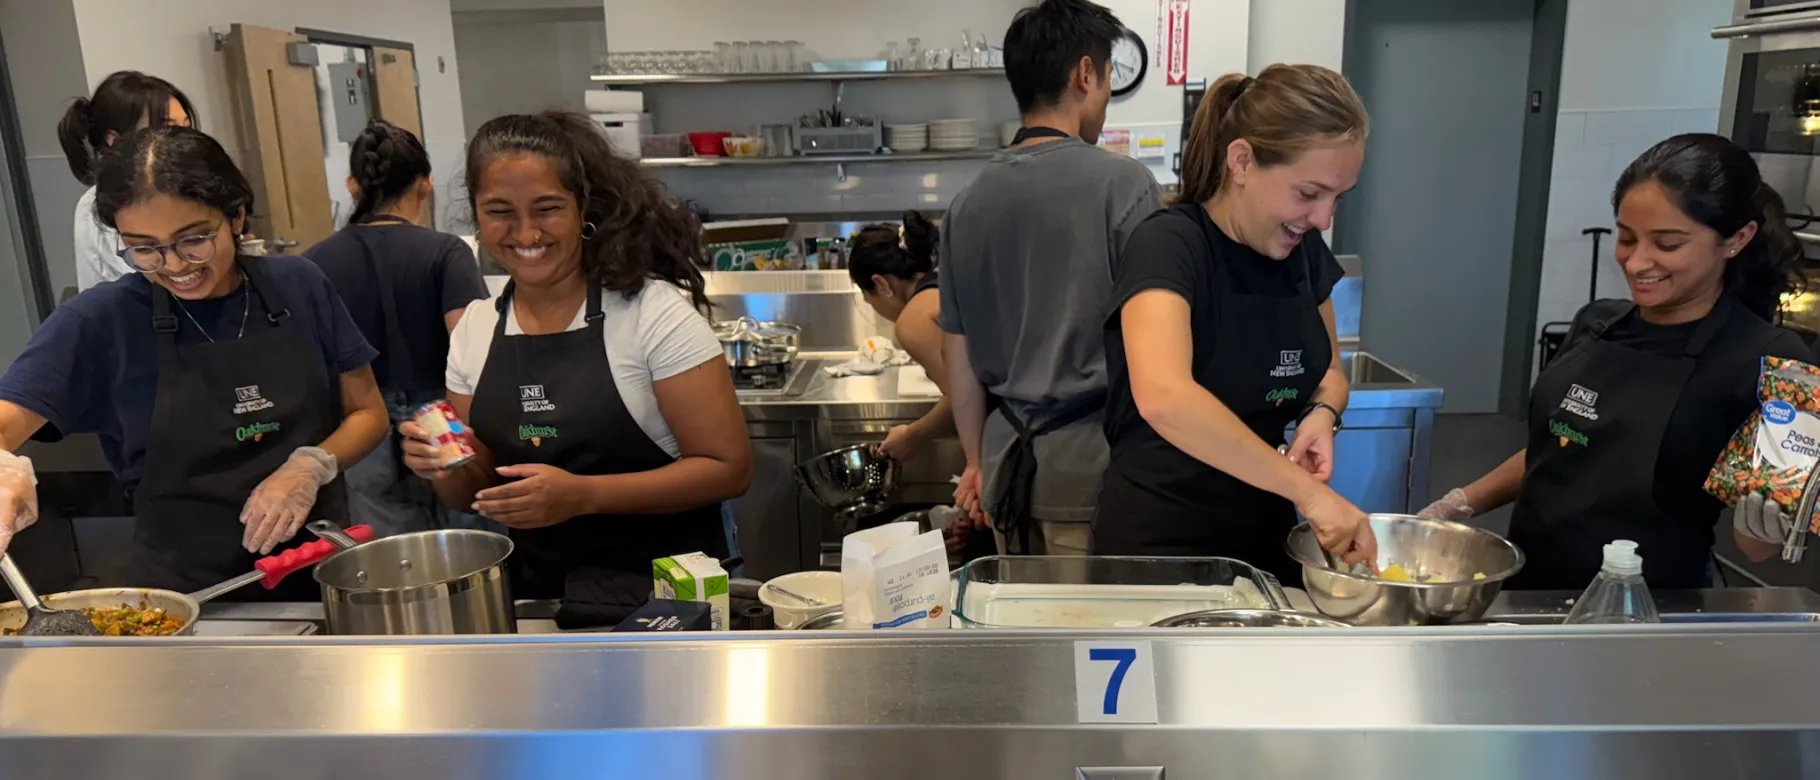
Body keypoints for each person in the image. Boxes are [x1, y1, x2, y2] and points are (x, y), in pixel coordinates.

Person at [0, 127, 388, 596]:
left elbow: (368, 413)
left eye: (194, 239)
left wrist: (312, 464)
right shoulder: (101, 321)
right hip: (188, 599)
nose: (176, 265)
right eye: (144, 248)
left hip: (322, 575)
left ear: (237, 217)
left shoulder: (300, 285)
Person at [1420, 133, 1814, 590]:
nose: (1636, 262)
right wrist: (1456, 504)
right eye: (1626, 238)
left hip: (1646, 613)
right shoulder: (1598, 322)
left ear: (1737, 239)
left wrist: (1764, 517)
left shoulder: (1776, 365)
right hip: (1528, 591)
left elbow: (1757, 548)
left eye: (1667, 244)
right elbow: (1560, 447)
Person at [399, 112, 750, 599]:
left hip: (671, 595)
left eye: (547, 208)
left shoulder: (652, 315)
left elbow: (728, 469)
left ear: (583, 209)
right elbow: (474, 491)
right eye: (499, 210)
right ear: (477, 217)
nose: (525, 232)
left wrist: (583, 496)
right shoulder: (475, 330)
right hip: (544, 600)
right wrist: (442, 462)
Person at [1090, 65, 1377, 578]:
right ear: (1242, 161)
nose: (1324, 220)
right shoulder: (1171, 246)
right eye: (1309, 194)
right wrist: (1310, 494)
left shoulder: (1302, 252)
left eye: (1338, 197)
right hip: (1160, 543)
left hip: (1265, 532)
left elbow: (1330, 372)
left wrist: (1321, 417)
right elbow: (1165, 398)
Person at [941, 0, 1162, 556]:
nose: (1107, 97)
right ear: (1085, 74)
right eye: (1109, 77)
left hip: (1004, 463)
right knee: (1093, 639)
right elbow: (1158, 347)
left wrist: (974, 461)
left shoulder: (966, 205)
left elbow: (959, 355)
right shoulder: (1125, 185)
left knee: (1024, 630)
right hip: (1094, 469)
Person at [303, 121, 489, 536]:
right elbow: (469, 343)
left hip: (359, 421)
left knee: (390, 547)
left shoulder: (315, 261)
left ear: (353, 186)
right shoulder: (445, 252)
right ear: (425, 184)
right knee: (469, 529)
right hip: (442, 415)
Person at [59, 71, 196, 292]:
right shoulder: (103, 203)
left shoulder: (181, 186)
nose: (185, 140)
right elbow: (161, 278)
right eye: (168, 128)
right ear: (115, 140)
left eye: (186, 128)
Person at [850, 211, 950, 460]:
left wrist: (913, 436)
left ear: (882, 285)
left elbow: (967, 402)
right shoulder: (945, 285)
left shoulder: (913, 321)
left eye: (867, 298)